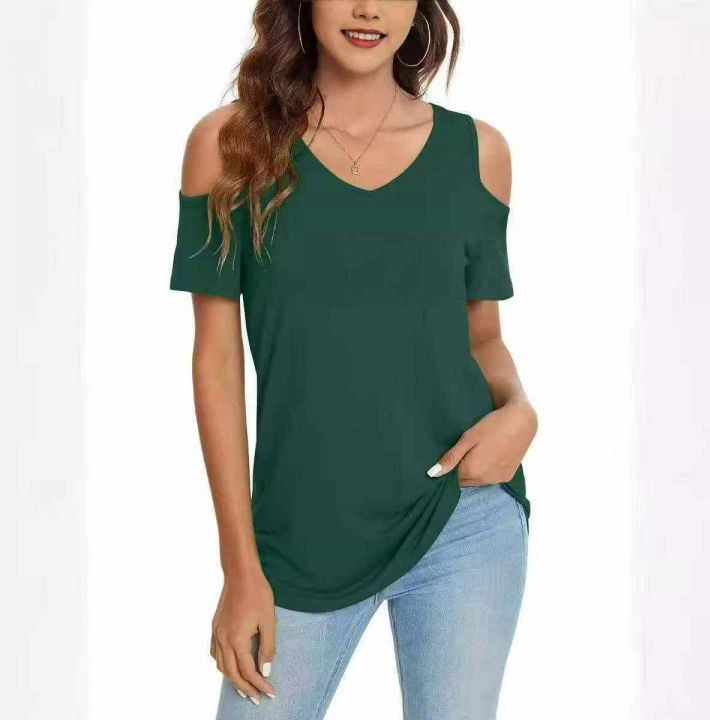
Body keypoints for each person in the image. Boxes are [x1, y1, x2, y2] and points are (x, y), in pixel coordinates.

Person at [169, 1, 537, 718]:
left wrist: (519, 412)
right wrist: (240, 568)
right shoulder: (229, 145)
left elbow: (482, 336)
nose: (369, 8)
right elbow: (216, 362)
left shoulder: (478, 153)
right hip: (301, 538)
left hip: (462, 516)